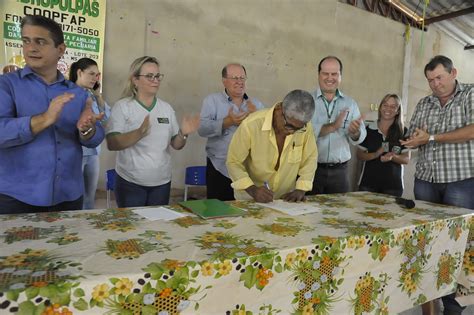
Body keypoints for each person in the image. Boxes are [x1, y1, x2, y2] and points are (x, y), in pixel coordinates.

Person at [0, 15, 104, 214]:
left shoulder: (78, 93)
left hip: (69, 196)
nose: (31, 48)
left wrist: (88, 129)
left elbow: (95, 138)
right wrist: (44, 119)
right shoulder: (6, 85)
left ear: (61, 49)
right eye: (26, 41)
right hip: (16, 198)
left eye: (40, 41)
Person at [401, 55, 473, 315]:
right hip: (426, 181)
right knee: (427, 243)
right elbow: (413, 133)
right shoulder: (424, 103)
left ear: (453, 72)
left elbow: (472, 130)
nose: (435, 85)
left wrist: (431, 137)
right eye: (430, 80)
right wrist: (409, 140)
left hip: (460, 181)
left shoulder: (470, 95)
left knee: (456, 246)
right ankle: (428, 306)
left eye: (439, 78)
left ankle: (453, 307)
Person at [106, 56, 199, 207]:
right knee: (132, 227)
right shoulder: (123, 107)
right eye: (149, 76)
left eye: (157, 76)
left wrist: (183, 133)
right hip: (131, 183)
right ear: (135, 80)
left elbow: (176, 144)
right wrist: (139, 133)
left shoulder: (166, 108)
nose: (155, 80)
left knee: (157, 227)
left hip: (161, 183)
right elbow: (112, 143)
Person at [226, 89, 317, 202]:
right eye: (289, 126)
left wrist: (301, 189)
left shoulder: (305, 128)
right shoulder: (251, 125)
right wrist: (253, 190)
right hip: (250, 199)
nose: (292, 132)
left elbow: (310, 159)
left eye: (298, 129)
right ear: (279, 109)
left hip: (284, 201)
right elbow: (233, 162)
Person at [198, 63, 264, 200]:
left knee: (246, 214)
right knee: (218, 212)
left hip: (247, 170)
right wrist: (228, 122)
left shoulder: (256, 105)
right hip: (219, 168)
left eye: (242, 78)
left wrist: (256, 119)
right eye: (235, 78)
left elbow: (267, 132)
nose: (239, 82)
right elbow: (202, 129)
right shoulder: (212, 101)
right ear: (224, 81)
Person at [307, 56, 366, 195]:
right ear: (318, 75)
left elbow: (360, 136)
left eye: (334, 74)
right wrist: (333, 126)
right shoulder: (307, 100)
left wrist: (355, 132)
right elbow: (302, 132)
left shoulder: (350, 103)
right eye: (325, 73)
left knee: (339, 215)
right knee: (308, 214)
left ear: (340, 76)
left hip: (340, 173)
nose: (330, 78)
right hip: (310, 171)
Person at [69, 58, 111, 209]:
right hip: (76, 152)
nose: (95, 78)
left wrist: (98, 96)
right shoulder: (69, 94)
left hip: (93, 152)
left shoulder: (92, 95)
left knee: (89, 196)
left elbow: (106, 118)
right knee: (75, 195)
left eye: (97, 75)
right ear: (79, 73)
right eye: (91, 74)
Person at [357, 94, 410, 197]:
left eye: (393, 106)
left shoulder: (403, 131)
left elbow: (406, 159)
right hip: (368, 184)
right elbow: (359, 155)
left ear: (398, 111)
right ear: (380, 107)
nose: (388, 109)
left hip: (393, 187)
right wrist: (376, 154)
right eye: (385, 105)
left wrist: (392, 157)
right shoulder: (368, 129)